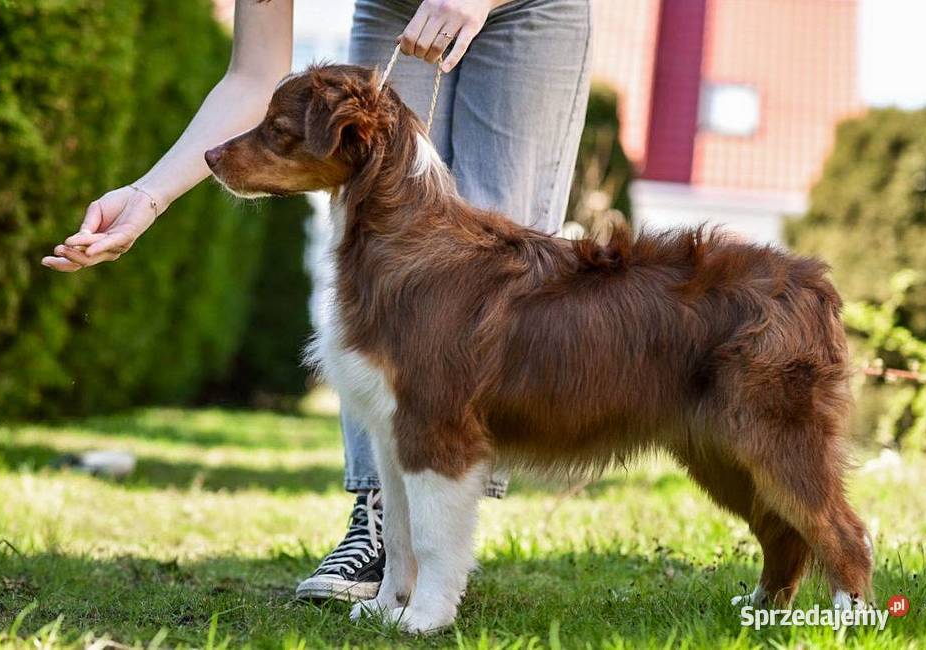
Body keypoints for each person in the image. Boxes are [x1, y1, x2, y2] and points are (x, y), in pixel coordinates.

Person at [43, 0, 591, 603]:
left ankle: (440, 532)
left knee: (488, 260)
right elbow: (254, 78)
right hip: (396, 11)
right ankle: (381, 521)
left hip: (532, 10)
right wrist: (147, 197)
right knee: (378, 245)